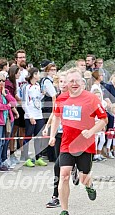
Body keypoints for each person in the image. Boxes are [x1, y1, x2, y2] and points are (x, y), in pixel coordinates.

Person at [49, 68, 108, 215]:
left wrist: (92, 131)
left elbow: (104, 119)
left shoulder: (91, 98)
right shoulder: (61, 99)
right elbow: (56, 117)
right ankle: (64, 211)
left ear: (82, 82)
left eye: (77, 81)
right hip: (67, 144)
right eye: (71, 81)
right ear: (67, 83)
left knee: (83, 178)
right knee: (64, 174)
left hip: (85, 145)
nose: (74, 84)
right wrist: (52, 135)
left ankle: (89, 185)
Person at [43, 71, 79, 208]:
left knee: (59, 165)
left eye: (66, 82)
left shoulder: (75, 97)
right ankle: (56, 196)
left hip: (72, 135)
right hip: (59, 135)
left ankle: (76, 167)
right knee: (59, 166)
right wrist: (48, 129)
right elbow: (54, 113)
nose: (63, 85)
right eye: (61, 82)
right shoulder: (58, 97)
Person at [0, 72, 17, 172]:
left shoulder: (5, 91)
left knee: (4, 142)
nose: (2, 82)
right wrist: (8, 106)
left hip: (7, 120)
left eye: (3, 80)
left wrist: (6, 95)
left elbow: (14, 102)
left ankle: (2, 161)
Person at [22, 67, 47, 167]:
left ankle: (38, 157)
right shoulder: (26, 87)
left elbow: (37, 100)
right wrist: (30, 116)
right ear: (33, 75)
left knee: (38, 137)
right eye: (37, 73)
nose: (39, 75)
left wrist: (42, 94)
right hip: (30, 116)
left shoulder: (38, 85)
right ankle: (25, 158)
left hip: (39, 114)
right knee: (28, 136)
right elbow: (25, 103)